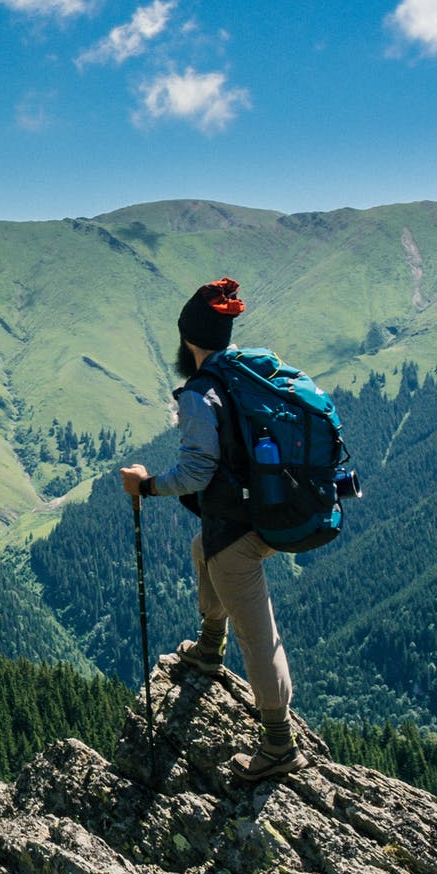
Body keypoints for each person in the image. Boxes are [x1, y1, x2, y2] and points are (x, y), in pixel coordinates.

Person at [118, 278, 302, 782]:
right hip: (271, 507)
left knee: (258, 633)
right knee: (205, 548)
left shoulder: (202, 394)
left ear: (187, 340)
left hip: (242, 528)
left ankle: (278, 743)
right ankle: (208, 646)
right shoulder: (244, 370)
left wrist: (146, 485)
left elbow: (197, 472)